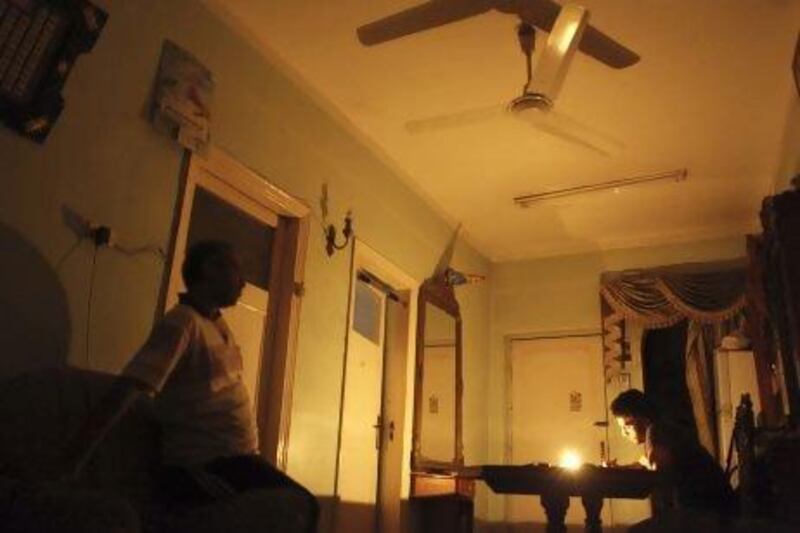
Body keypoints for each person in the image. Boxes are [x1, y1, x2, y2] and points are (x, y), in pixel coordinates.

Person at [63, 240, 318, 531]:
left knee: (302, 507)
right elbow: (131, 387)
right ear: (210, 268)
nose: (244, 282)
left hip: (239, 460)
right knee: (297, 506)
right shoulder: (182, 323)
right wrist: (73, 459)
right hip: (204, 465)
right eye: (237, 271)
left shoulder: (217, 325)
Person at [610, 389, 737, 517]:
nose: (624, 433)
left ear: (643, 418)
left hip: (709, 514)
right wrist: (620, 469)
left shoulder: (656, 431)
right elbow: (651, 465)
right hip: (713, 509)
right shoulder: (664, 429)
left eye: (627, 426)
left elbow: (659, 474)